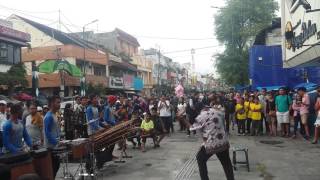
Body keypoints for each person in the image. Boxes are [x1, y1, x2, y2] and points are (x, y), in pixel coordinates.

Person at [192, 106, 234, 180]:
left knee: (200, 158)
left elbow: (193, 128)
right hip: (223, 142)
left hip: (212, 144)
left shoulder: (201, 116)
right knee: (226, 163)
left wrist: (182, 119)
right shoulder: (217, 111)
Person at [43, 95, 61, 178]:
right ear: (51, 103)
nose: (59, 104)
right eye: (58, 102)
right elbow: (47, 133)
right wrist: (56, 142)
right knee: (53, 168)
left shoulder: (54, 114)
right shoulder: (49, 116)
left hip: (55, 145)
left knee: (56, 166)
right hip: (51, 147)